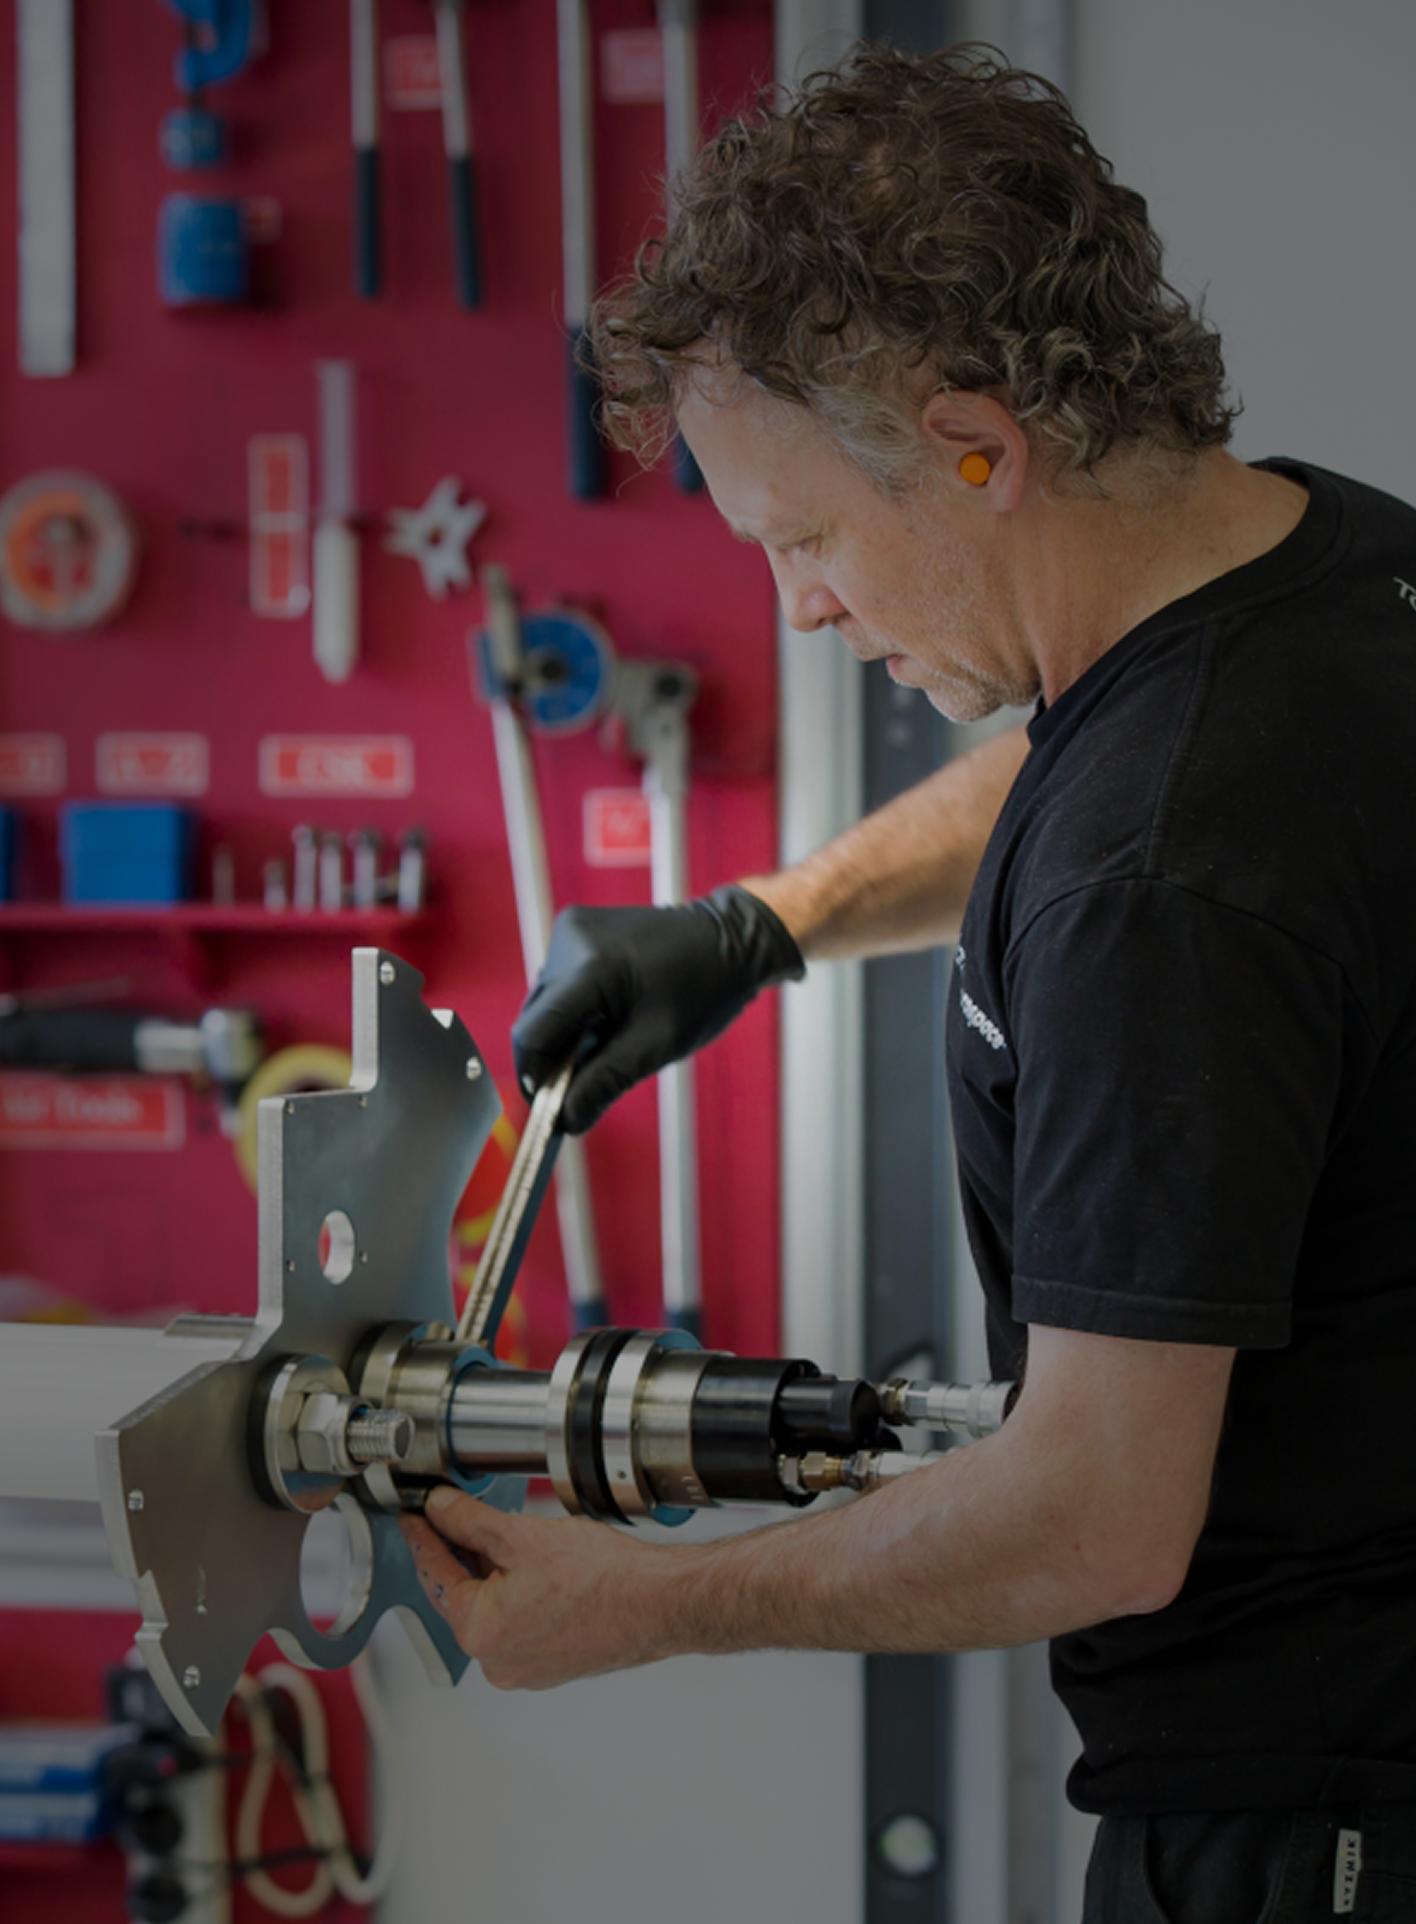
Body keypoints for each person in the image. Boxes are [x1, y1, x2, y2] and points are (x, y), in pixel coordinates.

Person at [402, 44, 1416, 1921]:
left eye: (803, 537)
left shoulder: (1162, 883)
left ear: (978, 444)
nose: (798, 605)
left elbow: (1091, 1518)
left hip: (1317, 1831)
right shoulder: (1321, 569)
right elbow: (1100, 758)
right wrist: (765, 924)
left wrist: (653, 1606)